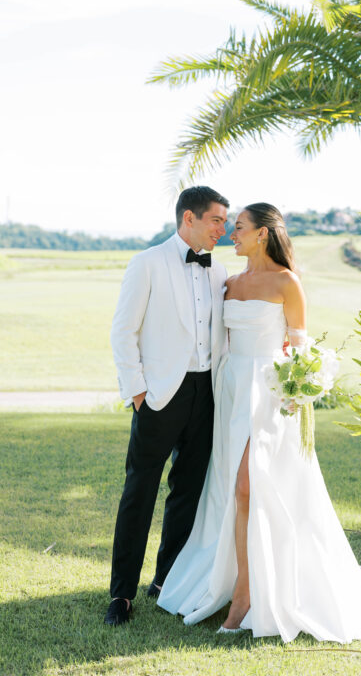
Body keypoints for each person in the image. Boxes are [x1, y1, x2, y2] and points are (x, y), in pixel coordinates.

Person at [158, 202, 361, 642]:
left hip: (272, 396)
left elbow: (300, 349)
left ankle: (245, 595)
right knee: (233, 490)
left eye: (239, 227)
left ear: (262, 233)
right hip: (232, 393)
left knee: (247, 486)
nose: (232, 234)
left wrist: (297, 391)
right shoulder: (229, 283)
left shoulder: (287, 282)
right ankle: (238, 580)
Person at [103, 185, 230, 626]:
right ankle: (121, 594)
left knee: (188, 493)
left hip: (205, 394)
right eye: (216, 220)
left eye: (225, 221)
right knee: (139, 491)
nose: (222, 228)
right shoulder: (147, 263)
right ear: (189, 218)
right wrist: (138, 392)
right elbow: (123, 332)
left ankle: (167, 581)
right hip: (158, 397)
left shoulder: (219, 270)